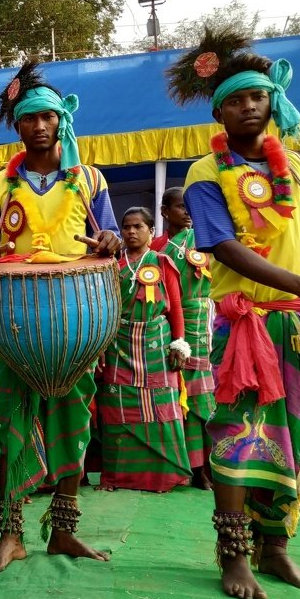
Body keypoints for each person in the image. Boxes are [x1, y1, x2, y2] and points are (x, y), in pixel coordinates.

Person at [172, 27, 300, 599]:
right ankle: (233, 556)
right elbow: (224, 246)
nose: (249, 107)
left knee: (293, 436)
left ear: (271, 101)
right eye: (235, 100)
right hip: (241, 322)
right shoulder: (205, 172)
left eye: (257, 97)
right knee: (236, 434)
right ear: (219, 111)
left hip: (299, 323)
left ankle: (274, 546)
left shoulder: (292, 165)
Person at [0, 60, 120, 574]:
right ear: (18, 125)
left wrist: (108, 241)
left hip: (75, 324)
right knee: (13, 427)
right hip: (17, 324)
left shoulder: (90, 179)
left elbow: (110, 238)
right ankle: (11, 534)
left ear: (62, 121)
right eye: (29, 118)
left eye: (47, 117)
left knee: (76, 426)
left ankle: (64, 533)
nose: (38, 126)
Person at [98, 206, 191, 492]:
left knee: (162, 408)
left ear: (152, 231)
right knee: (116, 411)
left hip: (155, 345)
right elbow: (102, 308)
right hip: (118, 342)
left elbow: (175, 307)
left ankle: (163, 477)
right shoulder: (109, 264)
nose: (131, 231)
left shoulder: (162, 262)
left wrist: (180, 343)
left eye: (138, 226)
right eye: (126, 226)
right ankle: (114, 478)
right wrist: (100, 345)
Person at [152, 186, 218, 489]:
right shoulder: (156, 249)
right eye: (181, 207)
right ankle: (193, 466)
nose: (188, 213)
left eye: (191, 207)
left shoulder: (208, 242)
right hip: (178, 328)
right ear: (165, 212)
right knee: (185, 398)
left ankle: (212, 464)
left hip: (211, 326)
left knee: (210, 397)